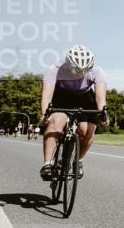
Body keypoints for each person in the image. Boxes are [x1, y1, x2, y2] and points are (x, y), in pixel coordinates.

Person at [39, 45, 108, 180]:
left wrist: (103, 115)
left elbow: (100, 98)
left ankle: (78, 159)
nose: (80, 72)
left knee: (87, 130)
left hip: (84, 97)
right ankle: (48, 164)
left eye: (85, 69)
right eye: (76, 69)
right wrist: (44, 115)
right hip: (62, 97)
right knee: (55, 122)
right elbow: (46, 96)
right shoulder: (54, 69)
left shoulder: (97, 71)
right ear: (68, 64)